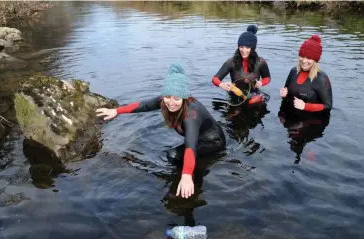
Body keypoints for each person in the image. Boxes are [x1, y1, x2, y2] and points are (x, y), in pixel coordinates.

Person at [96, 64, 226, 199]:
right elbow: (143, 105)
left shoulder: (191, 114)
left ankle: (193, 181)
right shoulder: (164, 101)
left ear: (185, 97)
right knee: (177, 157)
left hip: (213, 140)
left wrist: (187, 175)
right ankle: (185, 177)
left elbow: (190, 145)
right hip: (199, 139)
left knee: (173, 155)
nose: (171, 102)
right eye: (168, 96)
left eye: (177, 98)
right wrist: (116, 111)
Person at [212, 24, 271, 105]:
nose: (244, 50)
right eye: (241, 47)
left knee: (253, 104)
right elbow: (215, 79)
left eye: (247, 47)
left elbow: (267, 78)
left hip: (253, 95)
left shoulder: (260, 62)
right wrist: (221, 84)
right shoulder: (231, 62)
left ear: (252, 48)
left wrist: (261, 83)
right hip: (235, 96)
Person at [279, 35, 333, 113]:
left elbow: (328, 106)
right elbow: (287, 94)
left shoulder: (321, 78)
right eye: (302, 56)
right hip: (290, 117)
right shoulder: (293, 71)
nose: (304, 61)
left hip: (311, 121)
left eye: (309, 58)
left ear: (315, 60)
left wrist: (306, 106)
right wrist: (285, 94)